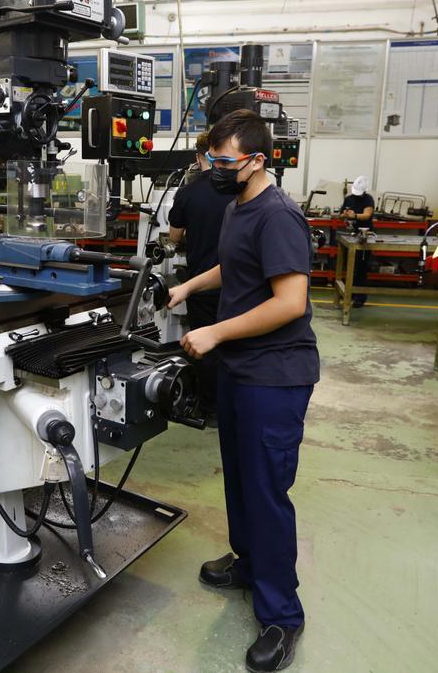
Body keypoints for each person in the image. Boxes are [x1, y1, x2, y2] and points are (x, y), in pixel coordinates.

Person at [167, 109, 319, 672]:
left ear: (257, 160)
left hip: (274, 375)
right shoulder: (238, 206)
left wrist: (214, 331)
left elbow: (289, 303)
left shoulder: (279, 215)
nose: (214, 168)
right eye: (211, 158)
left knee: (266, 493)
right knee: (238, 475)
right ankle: (249, 565)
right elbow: (233, 268)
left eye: (224, 160)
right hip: (239, 368)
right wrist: (188, 285)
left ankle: (282, 615)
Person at [168, 131, 237, 419]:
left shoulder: (187, 193)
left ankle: (208, 409)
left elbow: (173, 238)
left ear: (199, 158)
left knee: (204, 348)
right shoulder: (240, 191)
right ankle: (233, 405)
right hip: (236, 286)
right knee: (234, 344)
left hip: (201, 286)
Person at [341, 175, 374, 307]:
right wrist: (345, 215)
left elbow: (367, 215)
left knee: (361, 267)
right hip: (351, 235)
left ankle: (359, 298)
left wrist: (354, 215)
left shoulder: (368, 199)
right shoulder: (349, 198)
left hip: (364, 236)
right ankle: (350, 293)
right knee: (349, 267)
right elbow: (342, 213)